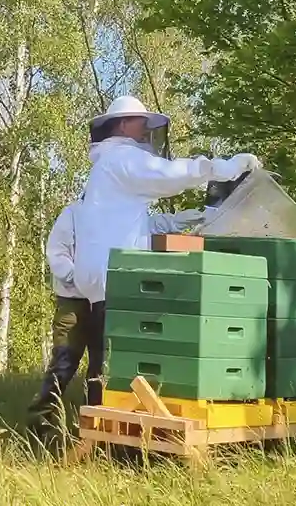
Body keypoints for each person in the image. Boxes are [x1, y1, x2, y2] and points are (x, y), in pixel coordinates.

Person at [62, 95, 259, 410]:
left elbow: (133, 222)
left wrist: (184, 219)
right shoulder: (122, 159)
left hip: (103, 277)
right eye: (142, 123)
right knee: (112, 365)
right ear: (125, 123)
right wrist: (228, 168)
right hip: (114, 278)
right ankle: (103, 434)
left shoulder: (107, 169)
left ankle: (103, 430)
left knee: (106, 360)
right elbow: (171, 174)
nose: (146, 132)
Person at [27, 197, 203, 444]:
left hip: (106, 299)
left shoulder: (120, 216)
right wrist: (80, 278)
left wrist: (193, 216)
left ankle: (96, 426)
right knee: (65, 360)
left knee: (102, 363)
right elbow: (57, 252)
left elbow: (155, 224)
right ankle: (40, 422)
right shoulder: (73, 214)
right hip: (74, 301)